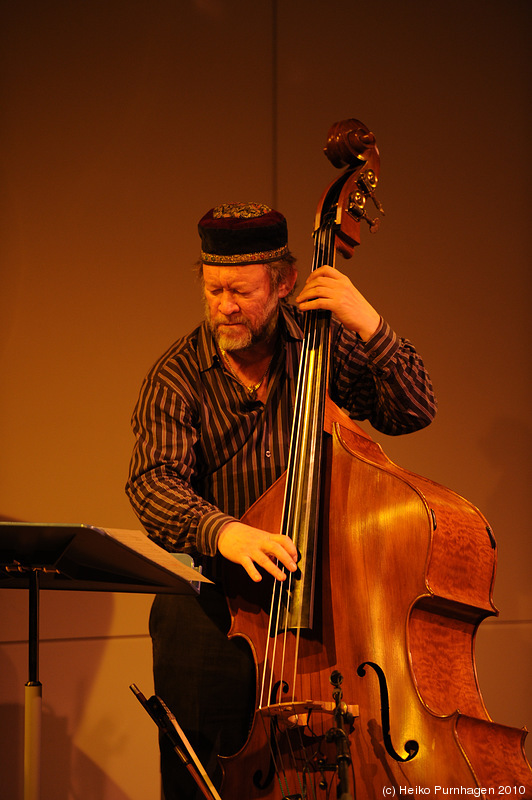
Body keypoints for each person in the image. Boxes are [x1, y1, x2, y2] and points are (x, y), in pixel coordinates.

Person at [126, 202, 437, 799]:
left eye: (241, 291)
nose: (224, 306)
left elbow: (413, 409)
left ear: (286, 282)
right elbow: (153, 484)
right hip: (224, 606)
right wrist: (225, 533)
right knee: (203, 768)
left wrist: (369, 323)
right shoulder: (177, 375)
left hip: (326, 611)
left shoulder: (322, 348)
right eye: (213, 289)